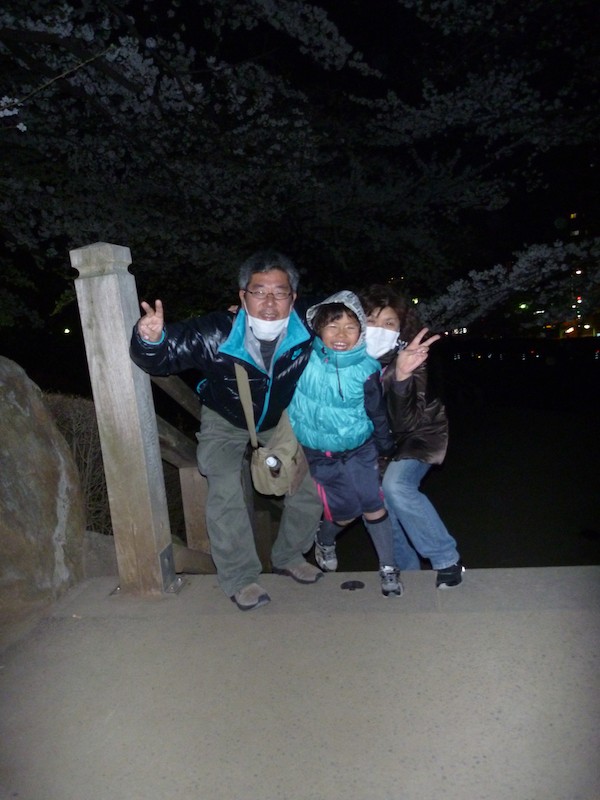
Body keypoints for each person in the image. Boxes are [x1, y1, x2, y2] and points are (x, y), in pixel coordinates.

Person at [129, 250, 324, 611]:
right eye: (259, 292)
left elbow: (353, 321)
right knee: (223, 483)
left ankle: (289, 555)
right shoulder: (217, 331)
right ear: (242, 296)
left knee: (308, 483)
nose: (269, 302)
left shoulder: (310, 325)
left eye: (280, 292)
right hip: (225, 416)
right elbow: (164, 355)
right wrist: (150, 338)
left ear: (293, 297)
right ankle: (240, 577)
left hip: (279, 418)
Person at [287, 290, 403, 597]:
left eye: (350, 327)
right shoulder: (301, 358)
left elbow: (376, 412)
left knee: (373, 503)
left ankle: (389, 568)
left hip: (360, 448)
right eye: (333, 326)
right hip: (319, 452)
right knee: (346, 511)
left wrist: (386, 445)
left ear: (361, 332)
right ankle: (325, 538)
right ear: (318, 328)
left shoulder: (367, 368)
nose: (341, 334)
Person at [360, 284, 464, 589]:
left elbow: (405, 422)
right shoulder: (349, 357)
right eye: (371, 320)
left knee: (396, 485)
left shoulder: (411, 356)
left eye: (388, 322)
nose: (379, 329)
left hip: (417, 435)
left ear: (400, 328)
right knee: (375, 500)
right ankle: (406, 571)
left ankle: (446, 559)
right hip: (378, 443)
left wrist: (402, 376)